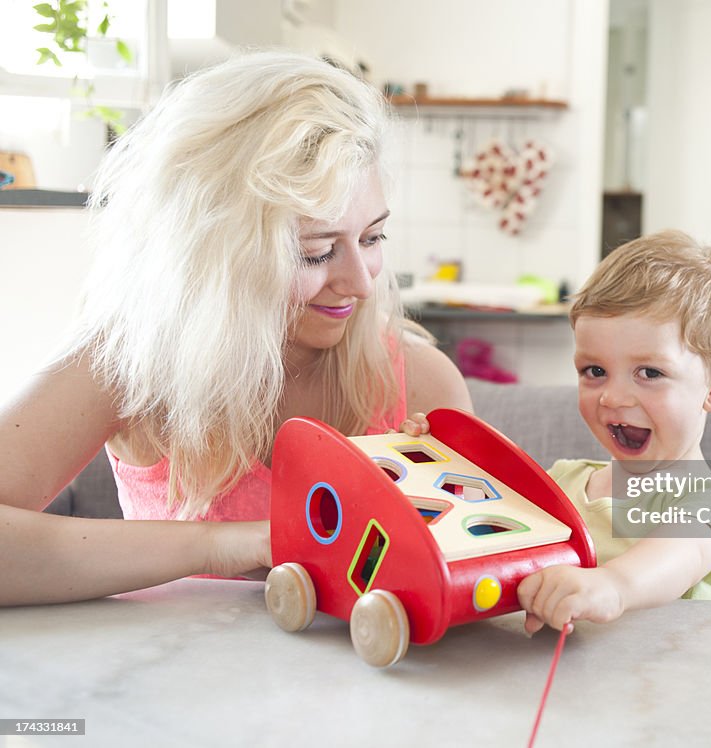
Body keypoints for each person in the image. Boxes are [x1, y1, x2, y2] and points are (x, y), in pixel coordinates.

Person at [0, 52, 470, 606]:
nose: (361, 285)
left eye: (371, 239)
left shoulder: (421, 381)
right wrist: (224, 545)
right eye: (314, 252)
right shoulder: (128, 358)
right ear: (215, 252)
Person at [516, 230, 711, 634]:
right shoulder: (560, 482)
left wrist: (613, 584)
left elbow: (681, 551)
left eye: (650, 373)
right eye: (595, 371)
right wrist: (428, 455)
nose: (613, 397)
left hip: (664, 692)